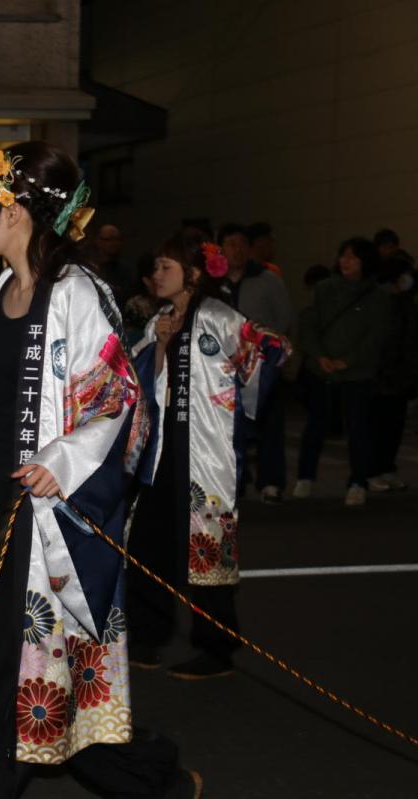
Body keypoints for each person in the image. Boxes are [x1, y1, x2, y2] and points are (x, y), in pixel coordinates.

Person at [0, 143, 200, 799]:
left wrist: (62, 460)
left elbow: (118, 398)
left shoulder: (78, 294)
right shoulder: (6, 287)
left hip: (40, 521)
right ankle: (155, 780)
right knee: (32, 689)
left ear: (16, 211)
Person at [127, 231, 289, 682]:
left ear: (193, 275)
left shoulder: (218, 316)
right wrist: (157, 344)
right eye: (156, 267)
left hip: (207, 455)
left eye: (166, 268)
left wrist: (244, 403)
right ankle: (147, 635)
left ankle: (216, 648)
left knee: (207, 551)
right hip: (161, 453)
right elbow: (136, 380)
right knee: (148, 542)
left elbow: (268, 351)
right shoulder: (159, 318)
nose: (156, 275)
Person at [293, 237, 391, 506]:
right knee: (316, 425)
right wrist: (320, 355)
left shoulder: (377, 296)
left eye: (353, 257)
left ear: (366, 262)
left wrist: (348, 361)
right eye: (343, 255)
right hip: (322, 370)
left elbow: (376, 336)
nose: (346, 261)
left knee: (358, 428)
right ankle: (305, 477)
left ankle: (358, 481)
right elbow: (308, 323)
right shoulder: (324, 289)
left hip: (357, 374)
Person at [217, 223, 293, 503]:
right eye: (230, 243)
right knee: (226, 428)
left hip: (261, 365)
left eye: (241, 243)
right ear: (221, 248)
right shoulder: (214, 281)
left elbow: (284, 318)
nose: (236, 249)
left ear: (249, 248)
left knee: (269, 423)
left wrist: (267, 349)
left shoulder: (267, 279)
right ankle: (233, 482)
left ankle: (271, 481)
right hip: (223, 367)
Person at [368, 254, 418, 492]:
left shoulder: (405, 301)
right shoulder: (382, 300)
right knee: (379, 425)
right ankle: (373, 471)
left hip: (401, 374)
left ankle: (387, 468)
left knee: (394, 425)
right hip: (382, 375)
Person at [92, 222, 136, 306]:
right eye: (110, 239)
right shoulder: (91, 268)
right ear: (98, 241)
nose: (114, 243)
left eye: (117, 239)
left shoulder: (126, 271)